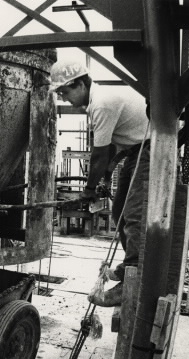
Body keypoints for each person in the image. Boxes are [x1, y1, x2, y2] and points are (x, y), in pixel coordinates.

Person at [49, 58, 150, 307]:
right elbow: (113, 151)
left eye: (65, 91)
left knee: (135, 213)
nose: (63, 98)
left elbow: (99, 154)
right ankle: (130, 265)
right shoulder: (98, 101)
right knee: (119, 211)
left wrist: (90, 190)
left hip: (151, 148)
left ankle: (134, 278)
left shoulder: (101, 104)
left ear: (81, 84)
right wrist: (104, 178)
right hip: (134, 151)